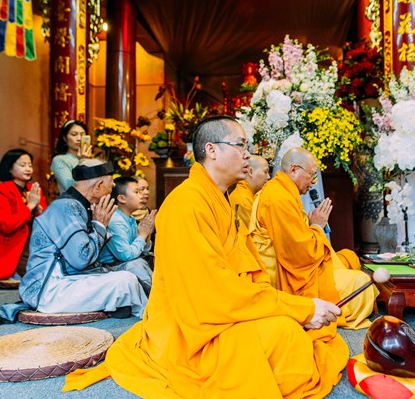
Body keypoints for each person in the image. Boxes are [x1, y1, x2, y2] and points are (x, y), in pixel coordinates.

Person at [64, 117, 348, 398]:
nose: (247, 154)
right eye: (240, 145)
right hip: (191, 326)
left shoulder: (221, 200)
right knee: (285, 336)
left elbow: (246, 271)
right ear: (212, 150)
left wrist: (283, 306)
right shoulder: (184, 205)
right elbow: (211, 291)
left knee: (289, 333)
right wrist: (297, 308)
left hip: (224, 305)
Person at [249, 147, 378, 330]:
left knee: (349, 258)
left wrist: (309, 224)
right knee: (361, 283)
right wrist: (317, 226)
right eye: (311, 174)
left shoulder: (282, 192)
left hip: (302, 266)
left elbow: (294, 237)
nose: (314, 181)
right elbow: (298, 254)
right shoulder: (278, 197)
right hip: (289, 278)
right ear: (294, 170)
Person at [17, 159, 148, 318]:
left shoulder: (79, 205)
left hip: (69, 279)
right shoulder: (66, 207)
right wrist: (100, 225)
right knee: (126, 280)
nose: (112, 189)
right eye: (110, 185)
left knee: (128, 273)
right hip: (50, 290)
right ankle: (147, 318)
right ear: (98, 186)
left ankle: (136, 311)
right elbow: (81, 259)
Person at [0, 149, 47, 286]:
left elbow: (47, 222)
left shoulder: (34, 190)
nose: (28, 169)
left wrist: (39, 207)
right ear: (9, 168)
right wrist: (30, 206)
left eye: (30, 165)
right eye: (22, 165)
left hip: (33, 244)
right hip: (10, 248)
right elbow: (6, 225)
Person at [99, 176, 156, 294]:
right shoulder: (115, 220)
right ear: (122, 198)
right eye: (137, 192)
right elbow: (125, 255)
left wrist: (147, 234)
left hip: (128, 262)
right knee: (136, 265)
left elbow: (144, 250)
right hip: (112, 266)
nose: (141, 195)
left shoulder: (130, 218)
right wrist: (142, 235)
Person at [51, 120, 93, 194]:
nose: (79, 138)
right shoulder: (59, 160)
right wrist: (83, 162)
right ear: (64, 138)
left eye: (82, 135)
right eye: (74, 134)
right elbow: (71, 188)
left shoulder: (92, 159)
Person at [229, 154, 270, 227]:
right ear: (250, 172)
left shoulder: (250, 194)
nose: (268, 177)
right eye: (265, 172)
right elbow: (251, 231)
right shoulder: (242, 199)